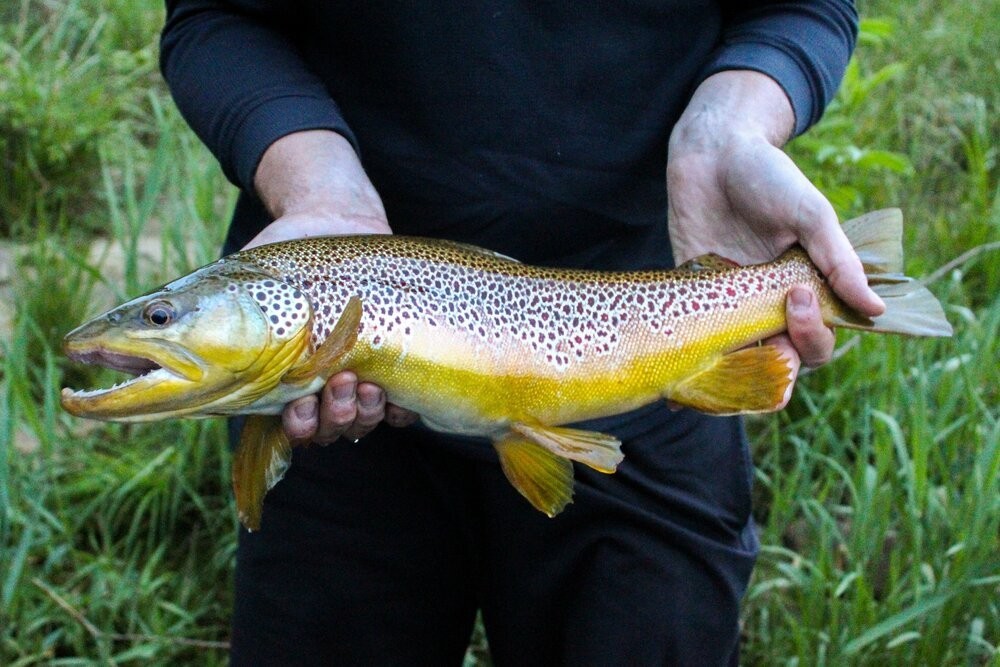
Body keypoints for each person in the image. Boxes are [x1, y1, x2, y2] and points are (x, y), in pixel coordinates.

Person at [160, 2, 881, 664]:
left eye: (161, 319)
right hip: (334, 347)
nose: (151, 328)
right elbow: (216, 13)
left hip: (652, 336)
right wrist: (314, 184)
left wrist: (732, 125)